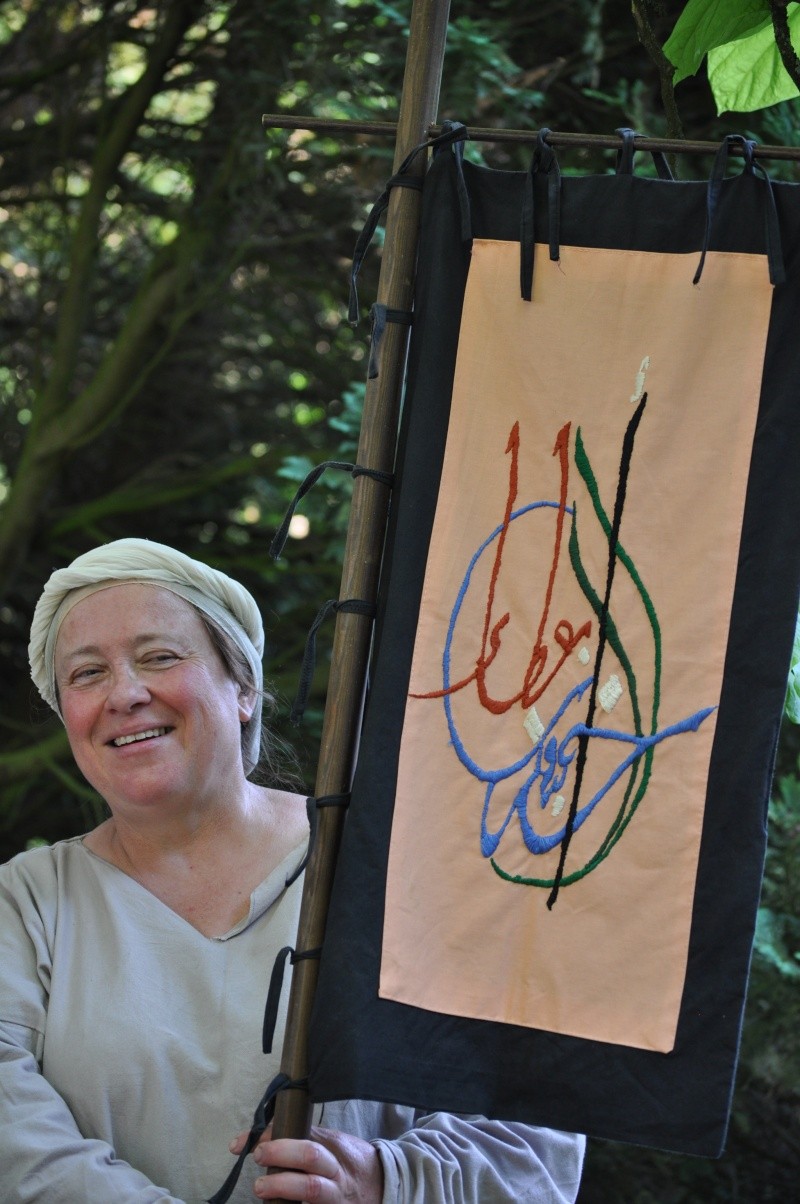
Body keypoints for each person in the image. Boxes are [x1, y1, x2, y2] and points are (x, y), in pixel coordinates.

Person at [0, 537, 585, 1203]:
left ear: (243, 688)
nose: (126, 694)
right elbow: (14, 1145)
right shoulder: (25, 906)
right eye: (86, 674)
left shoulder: (392, 869)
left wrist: (384, 1181)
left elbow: (535, 1134)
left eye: (159, 656)